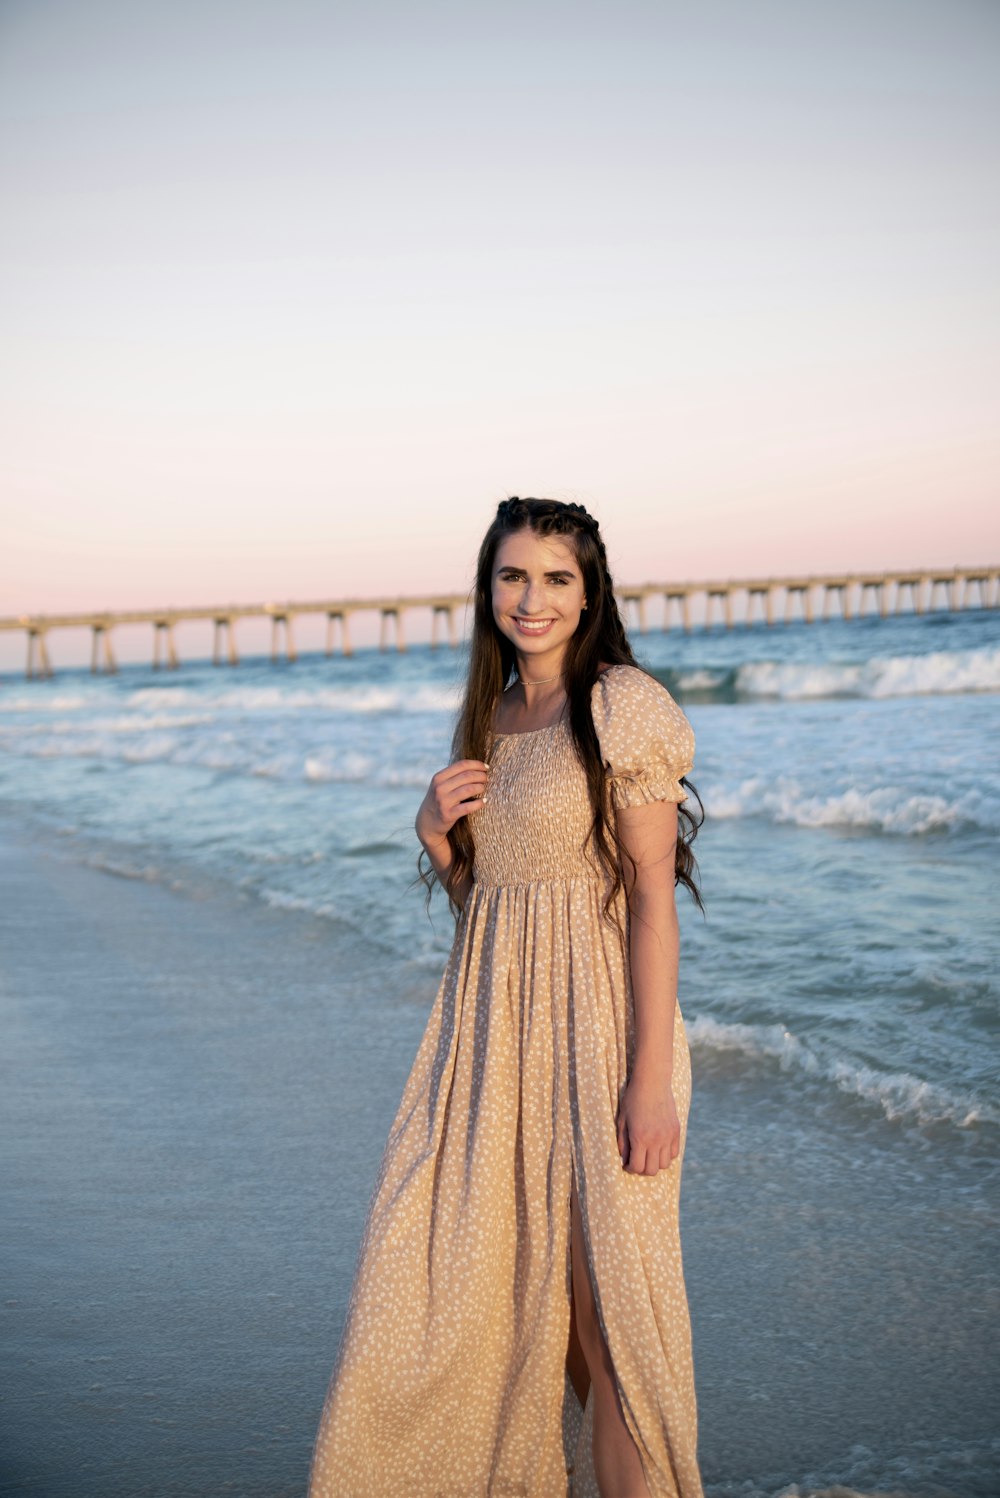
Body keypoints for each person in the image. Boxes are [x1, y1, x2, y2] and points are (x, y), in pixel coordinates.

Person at [307, 497, 705, 1498]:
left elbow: (652, 907)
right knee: (515, 1298)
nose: (532, 599)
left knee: (613, 1314)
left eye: (556, 578)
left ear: (589, 591)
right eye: (513, 576)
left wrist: (648, 1080)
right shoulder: (492, 716)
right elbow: (494, 911)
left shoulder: (619, 704)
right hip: (493, 1041)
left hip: (605, 1037)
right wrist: (436, 838)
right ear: (488, 589)